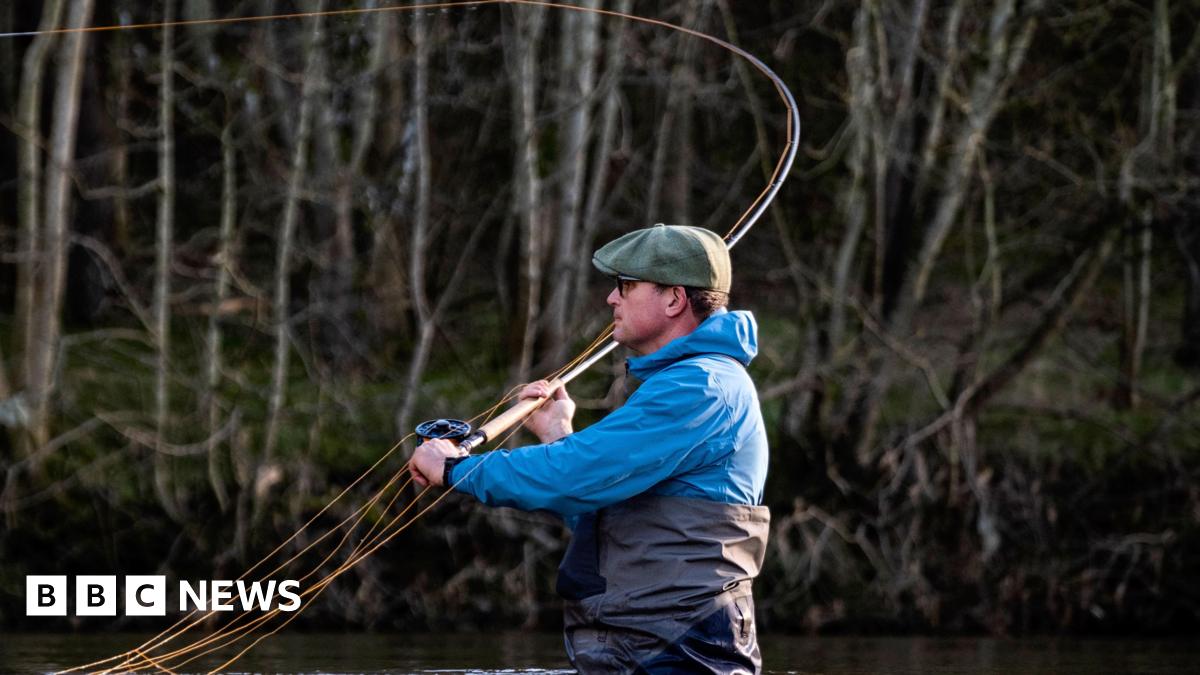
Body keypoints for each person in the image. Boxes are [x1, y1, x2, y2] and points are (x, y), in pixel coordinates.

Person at [411, 224, 770, 674]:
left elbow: (574, 475)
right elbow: (611, 517)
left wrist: (455, 469)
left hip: (679, 650)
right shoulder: (689, 383)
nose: (611, 300)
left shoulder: (702, 387)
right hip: (646, 645)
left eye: (626, 286)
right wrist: (558, 434)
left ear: (675, 299)